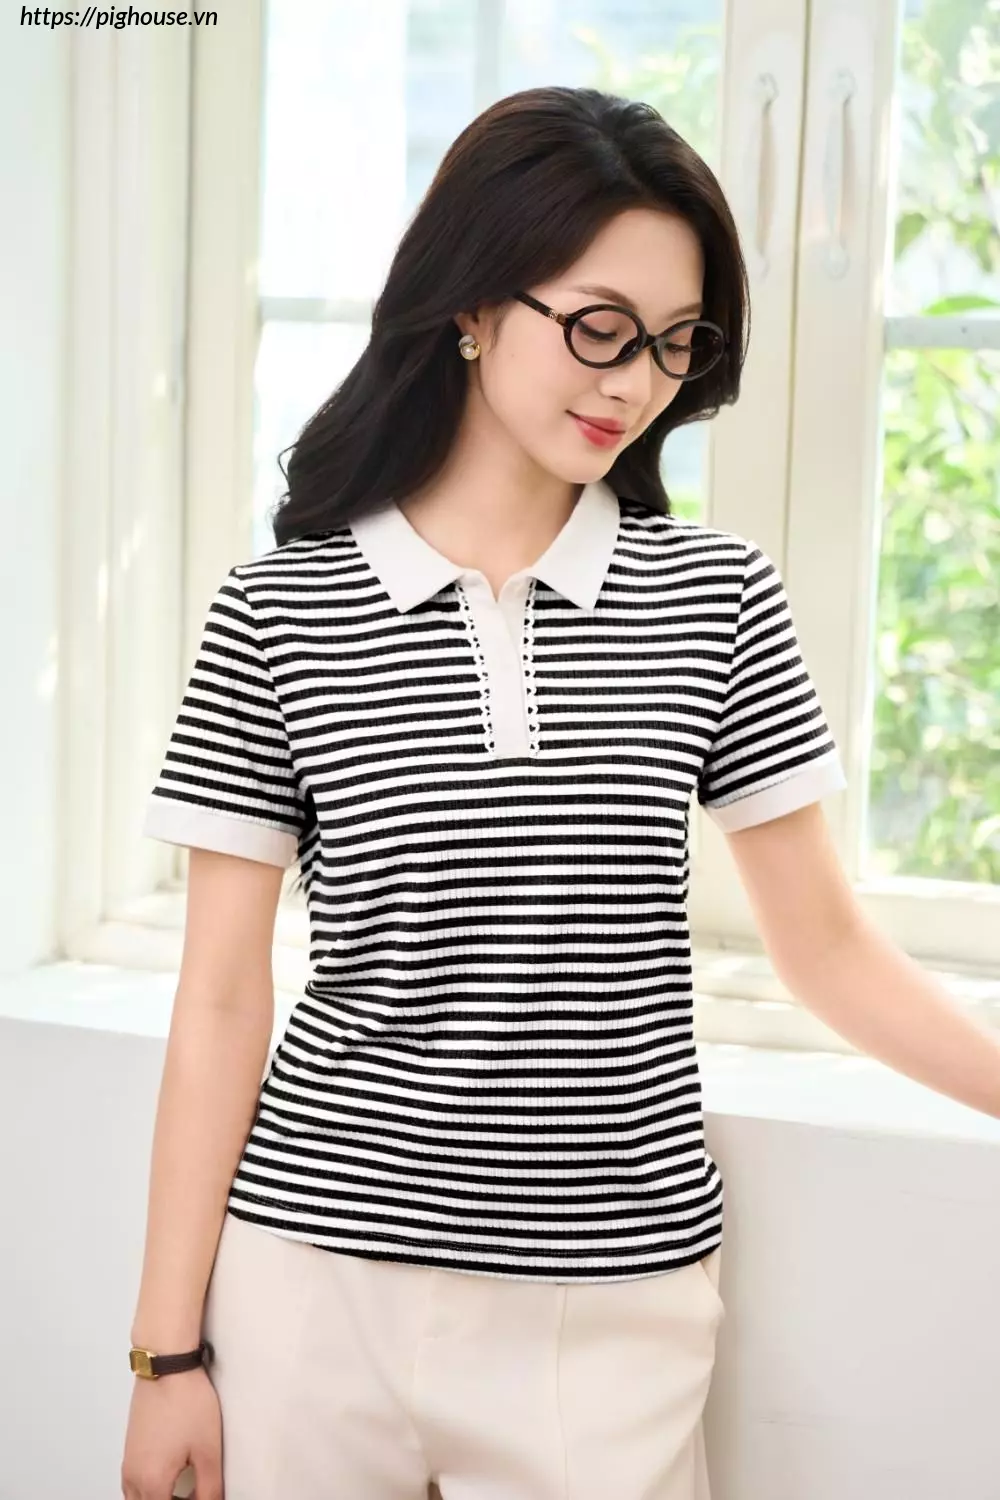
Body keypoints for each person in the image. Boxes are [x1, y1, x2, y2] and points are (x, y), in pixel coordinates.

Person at [121, 83, 841, 1500]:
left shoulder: (715, 598)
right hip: (311, 1291)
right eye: (599, 327)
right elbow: (219, 1000)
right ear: (469, 304)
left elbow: (828, 949)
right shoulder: (279, 608)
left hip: (610, 1307)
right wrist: (166, 1357)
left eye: (675, 344)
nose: (635, 383)